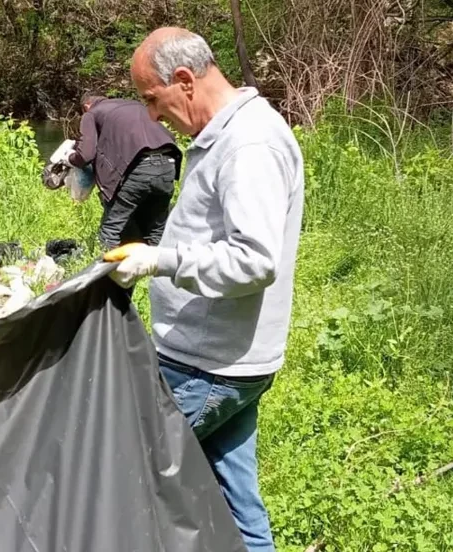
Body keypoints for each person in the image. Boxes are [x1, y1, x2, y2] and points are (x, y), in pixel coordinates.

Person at [104, 28, 305, 552]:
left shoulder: (250, 145)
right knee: (236, 502)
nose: (152, 116)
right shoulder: (230, 134)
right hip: (227, 360)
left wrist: (160, 260)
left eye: (153, 98)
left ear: (185, 80)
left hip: (207, 366)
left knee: (124, 480)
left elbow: (254, 261)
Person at [64, 93, 182, 252]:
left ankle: (105, 265)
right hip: (168, 164)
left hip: (139, 167)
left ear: (86, 106)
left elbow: (86, 154)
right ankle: (158, 265)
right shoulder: (134, 105)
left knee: (111, 228)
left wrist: (70, 159)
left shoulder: (91, 113)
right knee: (156, 228)